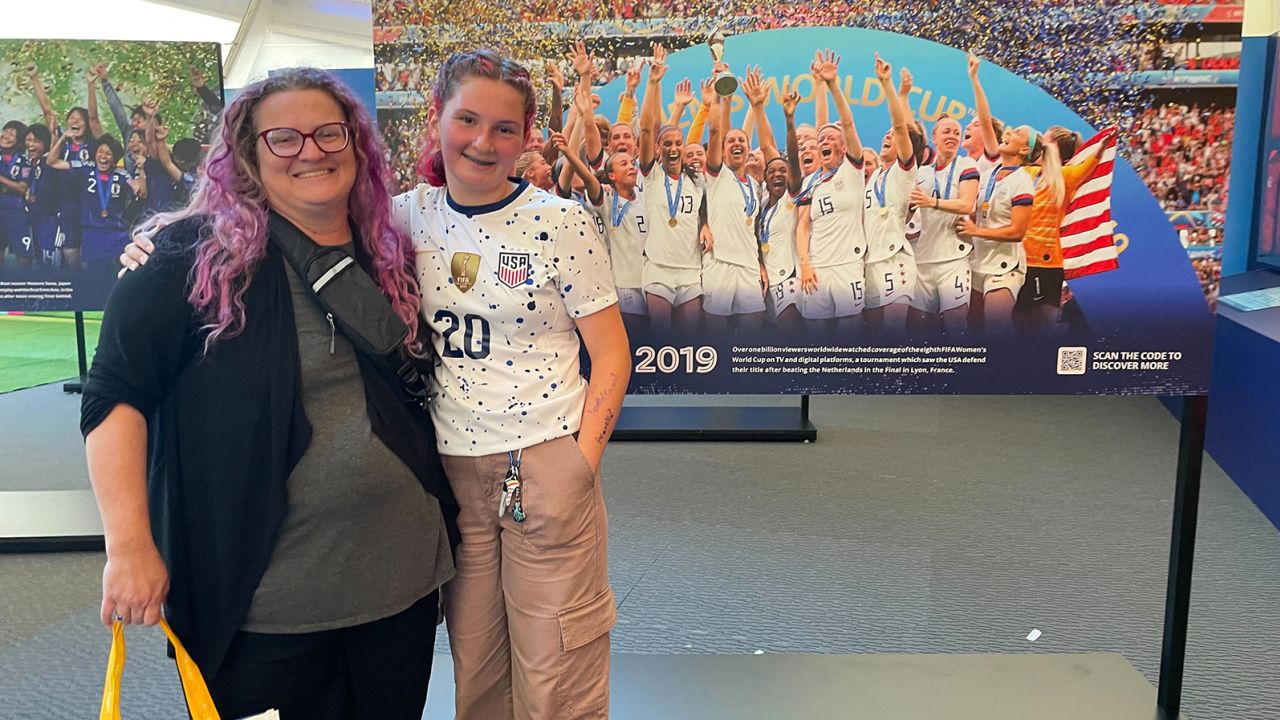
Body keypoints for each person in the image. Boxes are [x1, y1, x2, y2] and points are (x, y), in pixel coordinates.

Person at [81, 68, 456, 720]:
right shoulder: (187, 260)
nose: (311, 151)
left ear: (357, 145)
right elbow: (115, 397)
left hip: (399, 585)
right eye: (283, 138)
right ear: (248, 155)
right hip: (263, 607)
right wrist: (129, 547)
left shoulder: (391, 249)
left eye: (329, 133)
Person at [398, 48, 630, 720]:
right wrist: (163, 244)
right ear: (437, 120)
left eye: (504, 128)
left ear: (528, 135)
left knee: (558, 665)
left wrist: (581, 463)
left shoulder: (561, 223)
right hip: (451, 473)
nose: (483, 141)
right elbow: (288, 218)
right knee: (476, 667)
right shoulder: (404, 217)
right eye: (467, 119)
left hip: (546, 458)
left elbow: (611, 355)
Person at [795, 49, 867, 336]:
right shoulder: (810, 182)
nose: (823, 140)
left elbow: (846, 123)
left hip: (848, 267)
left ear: (844, 146)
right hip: (817, 269)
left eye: (831, 138)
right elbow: (802, 226)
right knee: (816, 338)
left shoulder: (852, 170)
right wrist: (805, 264)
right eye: (820, 138)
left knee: (848, 337)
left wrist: (831, 85)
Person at [639, 43, 706, 333]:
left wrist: (704, 223)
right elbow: (647, 128)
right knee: (662, 337)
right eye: (667, 144)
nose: (674, 148)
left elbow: (706, 208)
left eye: (679, 143)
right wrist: (654, 83)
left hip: (691, 270)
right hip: (658, 269)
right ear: (658, 149)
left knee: (690, 340)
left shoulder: (697, 180)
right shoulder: (652, 175)